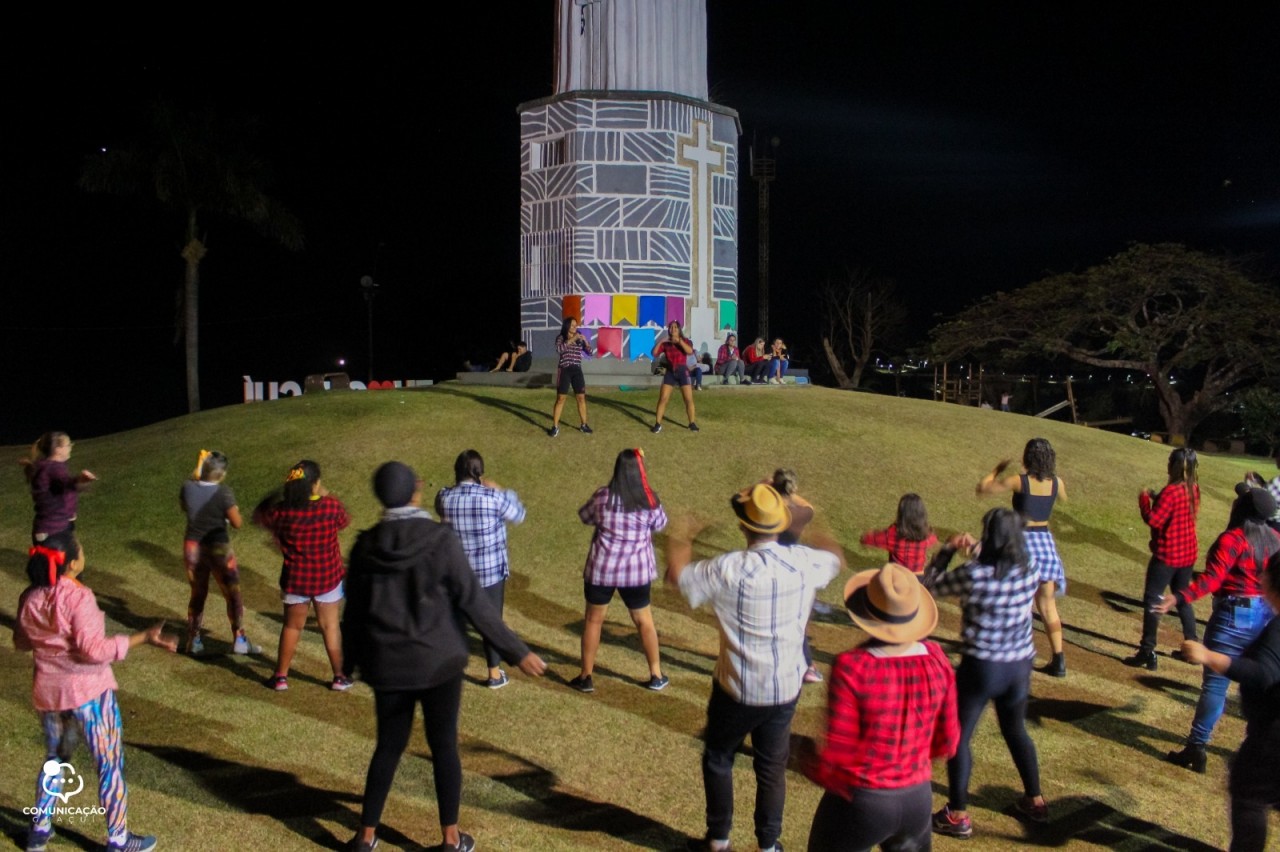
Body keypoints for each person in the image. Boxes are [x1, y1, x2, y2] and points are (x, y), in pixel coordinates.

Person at [342, 461, 547, 852]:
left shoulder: (366, 544)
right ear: (415, 491)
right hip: (439, 663)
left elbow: (353, 614)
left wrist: (348, 664)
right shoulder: (439, 539)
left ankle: (366, 837)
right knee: (443, 747)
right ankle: (451, 840)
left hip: (388, 665)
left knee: (388, 746)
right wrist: (516, 652)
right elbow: (474, 601)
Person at [666, 483, 844, 852]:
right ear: (780, 524)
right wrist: (811, 522)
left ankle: (718, 841)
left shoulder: (728, 569)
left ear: (744, 528)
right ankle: (768, 845)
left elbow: (677, 576)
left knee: (718, 757)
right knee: (771, 767)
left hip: (737, 688)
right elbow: (834, 558)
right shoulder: (803, 563)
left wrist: (684, 534)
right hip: (783, 689)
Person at [14, 534, 176, 852]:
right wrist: (142, 638)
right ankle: (117, 839)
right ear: (72, 563)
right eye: (82, 550)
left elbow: (21, 642)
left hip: (51, 695)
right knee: (108, 763)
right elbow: (93, 650)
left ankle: (39, 832)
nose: (85, 552)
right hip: (90, 694)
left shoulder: (30, 596)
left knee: (55, 761)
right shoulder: (79, 597)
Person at [805, 563, 959, 852]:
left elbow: (838, 752)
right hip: (917, 798)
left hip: (863, 800)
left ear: (866, 613)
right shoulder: (938, 659)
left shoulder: (853, 667)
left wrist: (809, 763)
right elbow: (949, 739)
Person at [925, 508, 1050, 839]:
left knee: (959, 737)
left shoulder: (973, 575)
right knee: (1015, 730)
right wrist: (980, 550)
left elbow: (930, 586)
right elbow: (1004, 561)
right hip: (1019, 666)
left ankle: (957, 814)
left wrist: (950, 549)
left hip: (981, 666)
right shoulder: (1030, 569)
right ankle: (1035, 799)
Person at [1155, 485, 1280, 773]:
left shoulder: (1233, 540)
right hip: (1266, 615)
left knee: (1215, 684)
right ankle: (1253, 742)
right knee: (1257, 682)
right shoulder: (1275, 540)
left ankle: (1197, 746)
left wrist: (1179, 596)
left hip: (1234, 615)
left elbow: (1213, 579)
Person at [1179, 554, 1280, 852]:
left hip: (1273, 738)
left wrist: (1209, 656)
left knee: (1249, 792)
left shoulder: (1278, 630)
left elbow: (1262, 673)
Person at [569, 448, 669, 692]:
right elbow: (661, 523)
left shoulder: (603, 497)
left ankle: (586, 676)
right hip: (635, 572)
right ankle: (656, 674)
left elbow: (585, 516)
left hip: (602, 569)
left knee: (594, 620)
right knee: (644, 622)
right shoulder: (649, 500)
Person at [253, 460, 352, 691]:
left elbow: (260, 516)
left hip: (296, 580)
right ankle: (339, 677)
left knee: (291, 627)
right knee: (330, 627)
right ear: (315, 484)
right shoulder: (330, 507)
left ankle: (280, 677)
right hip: (327, 577)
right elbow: (344, 520)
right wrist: (323, 492)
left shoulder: (281, 512)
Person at [977, 437, 1070, 677]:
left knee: (1022, 603)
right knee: (1048, 606)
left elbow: (984, 488)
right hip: (1045, 544)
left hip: (1022, 543)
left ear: (1028, 458)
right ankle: (1059, 659)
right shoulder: (1056, 483)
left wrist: (997, 469)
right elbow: (1064, 499)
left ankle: (1017, 652)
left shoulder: (1019, 481)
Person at [435, 449, 527, 689]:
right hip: (490, 571)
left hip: (458, 572)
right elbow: (519, 514)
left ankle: (448, 665)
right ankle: (494, 674)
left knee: (456, 620)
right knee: (491, 622)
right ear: (479, 472)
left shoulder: (445, 497)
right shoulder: (492, 497)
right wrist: (502, 490)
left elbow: (440, 506)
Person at [1124, 448, 1200, 670]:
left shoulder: (1171, 492)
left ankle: (1147, 651)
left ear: (1172, 466)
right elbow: (1177, 509)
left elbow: (1155, 520)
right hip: (1188, 554)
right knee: (1183, 597)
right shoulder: (1194, 488)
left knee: (1153, 601)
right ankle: (1192, 646)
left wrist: (1144, 501)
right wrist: (1158, 496)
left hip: (1167, 556)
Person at [180, 450, 258, 656]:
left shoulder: (187, 487)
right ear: (222, 474)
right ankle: (240, 639)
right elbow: (237, 523)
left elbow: (185, 507)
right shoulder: (224, 493)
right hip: (218, 547)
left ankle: (193, 641)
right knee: (232, 594)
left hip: (193, 547)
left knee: (198, 593)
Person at [770, 468, 822, 685]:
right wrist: (789, 494)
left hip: (770, 568)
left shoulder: (768, 512)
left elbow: (739, 498)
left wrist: (768, 489)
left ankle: (803, 664)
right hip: (794, 571)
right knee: (796, 620)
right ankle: (807, 665)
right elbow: (808, 505)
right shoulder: (802, 514)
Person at [21, 431, 96, 545]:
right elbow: (66, 483)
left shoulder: (46, 466)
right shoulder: (54, 468)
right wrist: (80, 480)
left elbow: (61, 490)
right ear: (58, 449)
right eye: (68, 445)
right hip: (54, 531)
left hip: (48, 527)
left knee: (75, 558)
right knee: (73, 560)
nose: (70, 448)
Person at [860, 493, 938, 575]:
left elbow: (867, 539)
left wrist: (870, 534)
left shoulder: (893, 534)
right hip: (918, 576)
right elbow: (934, 540)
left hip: (898, 576)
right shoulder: (927, 533)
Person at [651, 320, 699, 433]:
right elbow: (654, 353)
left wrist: (679, 341)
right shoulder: (666, 343)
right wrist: (661, 341)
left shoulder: (686, 341)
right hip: (670, 372)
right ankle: (657, 424)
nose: (673, 329)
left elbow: (690, 351)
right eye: (671, 327)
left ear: (679, 329)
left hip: (683, 371)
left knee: (688, 399)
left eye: (675, 327)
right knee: (663, 399)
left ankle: (692, 423)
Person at [549, 317, 592, 437]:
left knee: (581, 398)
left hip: (577, 370)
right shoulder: (561, 337)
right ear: (567, 326)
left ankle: (584, 425)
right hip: (565, 370)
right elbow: (559, 349)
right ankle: (555, 427)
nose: (575, 327)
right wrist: (573, 339)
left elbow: (590, 352)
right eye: (572, 325)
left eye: (576, 325)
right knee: (561, 399)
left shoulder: (579, 338)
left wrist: (586, 342)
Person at [1244, 448, 1280, 533]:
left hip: (1272, 525)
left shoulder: (1276, 482)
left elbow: (1259, 501)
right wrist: (1260, 481)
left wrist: (1248, 484)